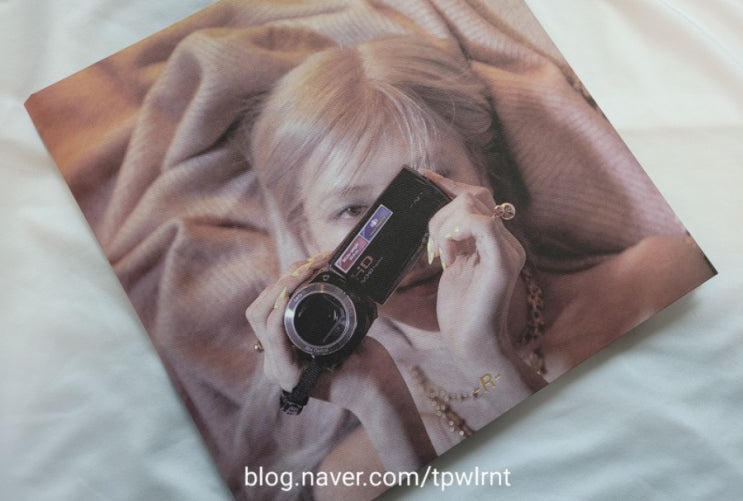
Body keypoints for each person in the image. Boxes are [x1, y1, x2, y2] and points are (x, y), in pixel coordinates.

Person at [239, 35, 712, 500]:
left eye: (428, 191)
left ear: (485, 177)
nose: (415, 248)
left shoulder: (660, 286)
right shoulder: (358, 479)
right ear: (307, 238)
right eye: (354, 211)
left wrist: (489, 356)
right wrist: (382, 408)